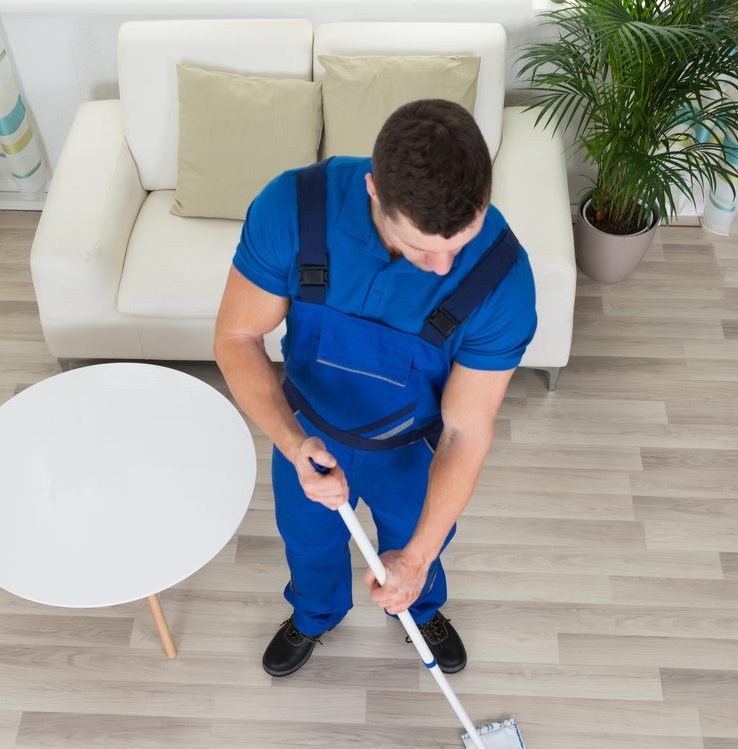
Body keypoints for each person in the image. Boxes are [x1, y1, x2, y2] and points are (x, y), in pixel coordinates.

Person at [214, 98, 537, 677]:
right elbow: (236, 337)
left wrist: (413, 560)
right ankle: (313, 616)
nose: (442, 268)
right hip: (310, 430)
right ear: (373, 191)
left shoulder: (502, 278)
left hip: (414, 448)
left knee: (422, 546)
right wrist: (292, 443)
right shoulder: (294, 208)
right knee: (308, 542)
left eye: (458, 243)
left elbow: (466, 429)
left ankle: (420, 610)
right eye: (421, 248)